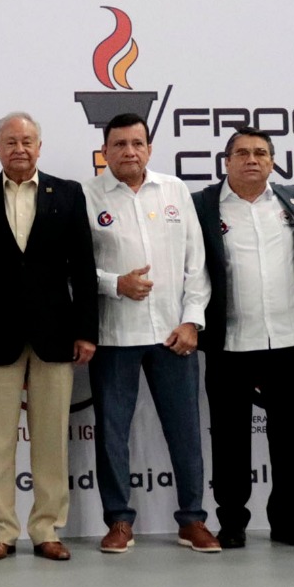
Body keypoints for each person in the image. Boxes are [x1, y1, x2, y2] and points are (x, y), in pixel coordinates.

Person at [0, 112, 97, 562]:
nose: (19, 148)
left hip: (56, 334)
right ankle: (1, 530)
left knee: (51, 437)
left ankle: (47, 529)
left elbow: (84, 269)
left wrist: (86, 331)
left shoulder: (68, 193)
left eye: (27, 141)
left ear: (40, 147)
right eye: (11, 142)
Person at [82, 112, 218, 553]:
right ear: (105, 152)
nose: (129, 151)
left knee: (185, 431)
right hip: (114, 335)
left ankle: (192, 520)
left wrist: (192, 320)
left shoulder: (175, 191)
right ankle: (119, 521)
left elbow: (196, 264)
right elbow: (75, 267)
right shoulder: (87, 196)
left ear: (149, 148)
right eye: (119, 144)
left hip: (173, 335)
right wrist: (114, 284)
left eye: (137, 143)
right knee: (112, 435)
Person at [193, 128, 294, 550]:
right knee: (229, 438)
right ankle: (232, 521)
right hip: (230, 341)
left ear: (272, 161)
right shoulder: (202, 206)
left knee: (290, 438)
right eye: (243, 153)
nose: (252, 160)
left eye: (261, 153)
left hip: (289, 337)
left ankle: (288, 521)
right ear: (226, 161)